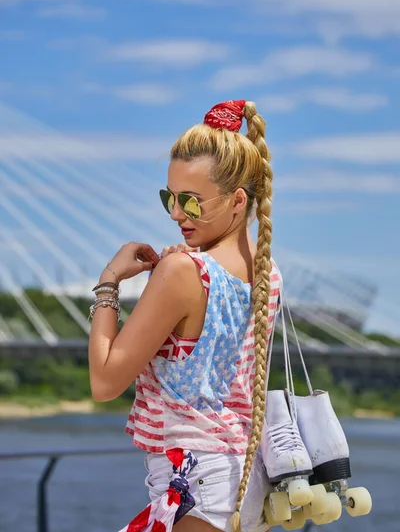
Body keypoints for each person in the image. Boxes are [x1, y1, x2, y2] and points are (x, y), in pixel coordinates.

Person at [88, 100, 282, 532]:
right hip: (242, 481)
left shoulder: (183, 271)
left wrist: (109, 283)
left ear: (236, 201)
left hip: (193, 485)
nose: (176, 214)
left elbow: (104, 381)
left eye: (191, 203)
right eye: (169, 199)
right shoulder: (269, 274)